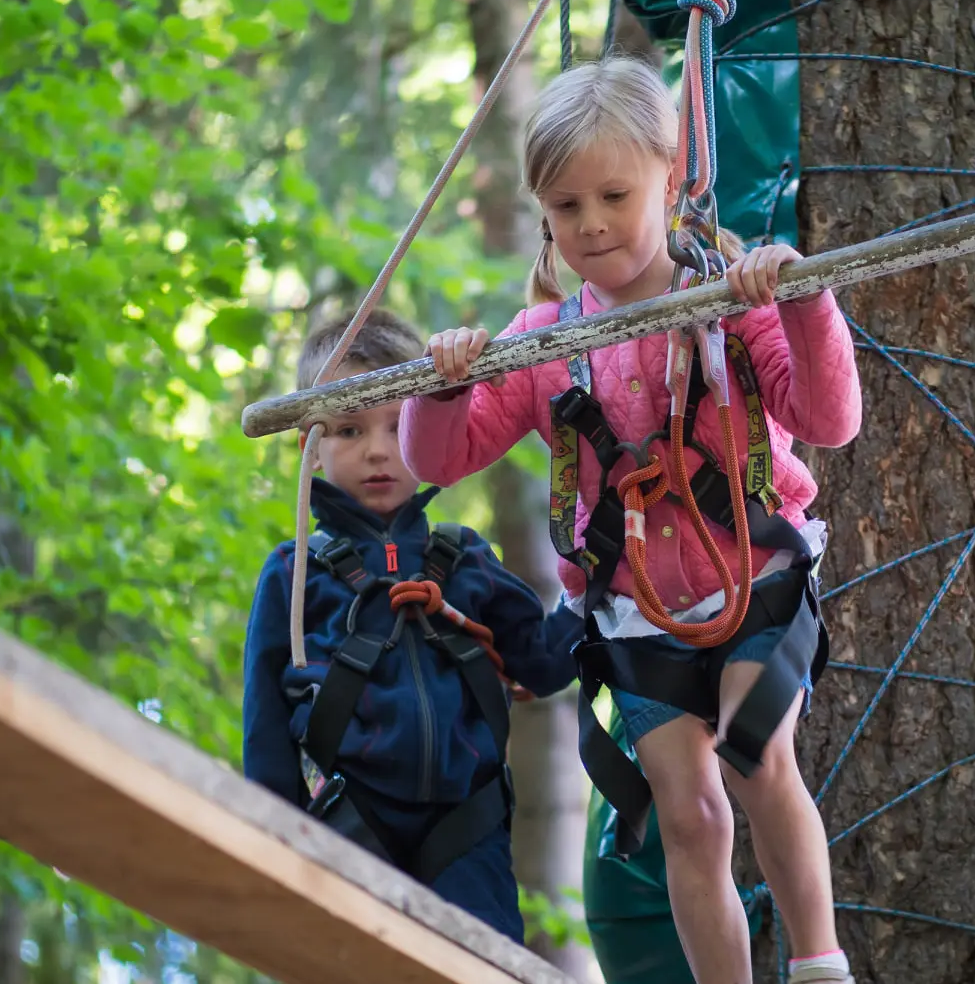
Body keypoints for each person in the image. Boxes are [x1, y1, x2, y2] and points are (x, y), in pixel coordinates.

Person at [400, 57, 864, 984]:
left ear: (671, 177)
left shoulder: (735, 302)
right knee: (687, 812)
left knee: (755, 752)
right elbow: (437, 460)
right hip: (638, 615)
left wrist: (804, 302)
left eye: (614, 194)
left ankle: (818, 964)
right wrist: (445, 380)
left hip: (756, 583)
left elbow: (829, 420)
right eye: (567, 207)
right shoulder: (541, 344)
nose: (594, 224)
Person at [242, 309, 579, 943]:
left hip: (467, 828)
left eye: (400, 425)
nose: (377, 449)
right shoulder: (295, 572)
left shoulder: (467, 559)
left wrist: (597, 585)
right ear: (309, 447)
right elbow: (266, 726)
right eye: (349, 429)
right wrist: (273, 840)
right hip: (345, 818)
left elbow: (542, 662)